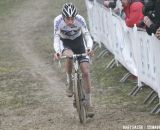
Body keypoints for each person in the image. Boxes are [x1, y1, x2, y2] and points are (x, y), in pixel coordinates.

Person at [53, 3, 94, 116]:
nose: (70, 21)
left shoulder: (80, 19)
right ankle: (70, 82)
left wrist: (89, 48)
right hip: (66, 44)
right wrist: (57, 51)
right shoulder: (57, 21)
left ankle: (88, 103)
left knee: (85, 72)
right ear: (63, 17)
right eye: (68, 19)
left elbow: (87, 35)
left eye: (72, 19)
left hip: (79, 43)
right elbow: (56, 38)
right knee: (69, 56)